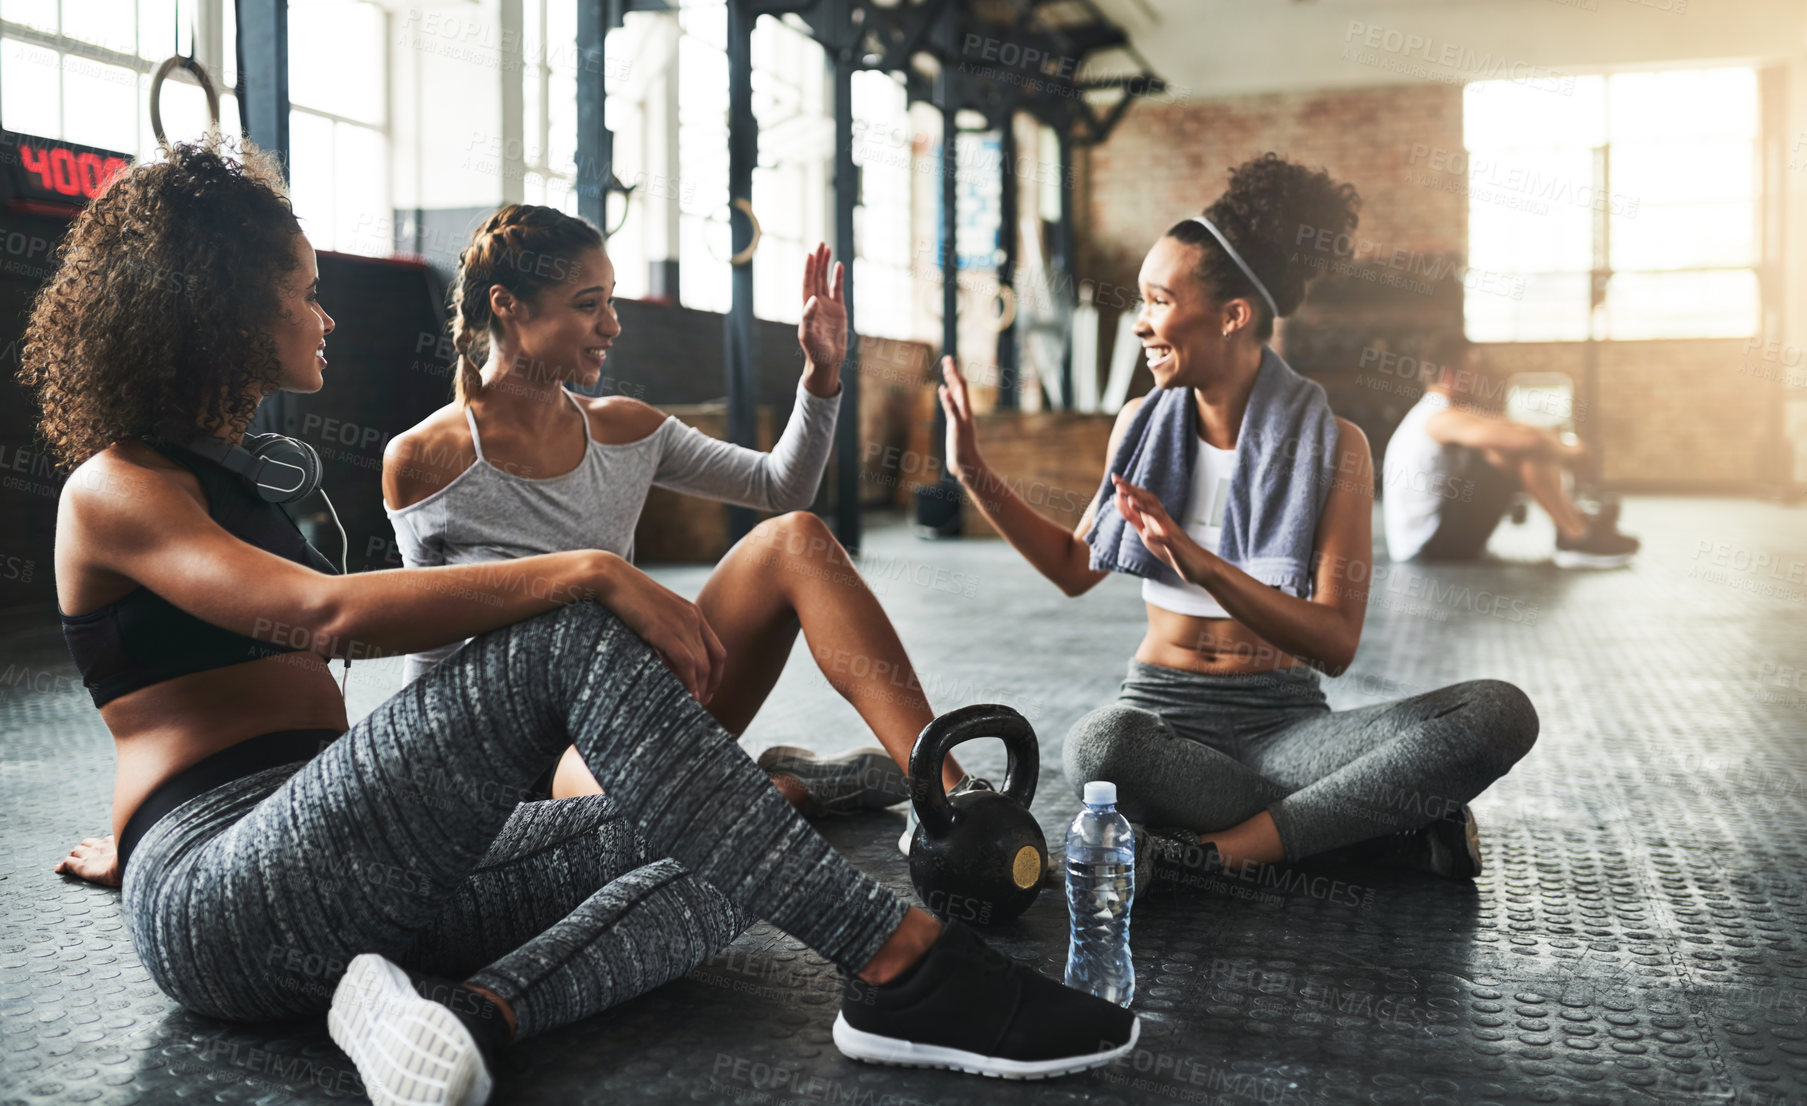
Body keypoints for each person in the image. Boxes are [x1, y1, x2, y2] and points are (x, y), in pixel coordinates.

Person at [32, 138, 1136, 1106]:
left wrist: (815, 385)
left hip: (362, 861)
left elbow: (223, 690)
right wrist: (593, 570)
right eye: (302, 291)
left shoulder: (258, 475)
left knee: (727, 834)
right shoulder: (115, 487)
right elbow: (319, 618)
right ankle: (902, 963)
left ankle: (469, 1013)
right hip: (227, 885)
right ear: (219, 308)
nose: (322, 312)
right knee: (566, 618)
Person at [936, 153, 1540, 887]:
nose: (1140, 325)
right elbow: (1073, 568)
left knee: (1496, 712)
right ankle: (1354, 831)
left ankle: (1217, 854)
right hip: (1161, 716)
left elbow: (1334, 643)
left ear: (1232, 315)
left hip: (1285, 724)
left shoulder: (1336, 447)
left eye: (1158, 301)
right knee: (1098, 747)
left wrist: (1202, 565)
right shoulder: (1140, 424)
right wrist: (973, 475)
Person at [380, 204, 976, 817]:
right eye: (588, 305)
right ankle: (782, 792)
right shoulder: (427, 459)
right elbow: (428, 637)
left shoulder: (627, 428)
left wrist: (821, 375)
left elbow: (783, 487)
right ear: (508, 305)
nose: (612, 326)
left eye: (611, 302)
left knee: (796, 538)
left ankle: (952, 793)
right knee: (626, 817)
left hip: (641, 712)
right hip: (526, 755)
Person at [1382, 333, 1639, 567]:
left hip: (1435, 538)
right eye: (1472, 370)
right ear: (1451, 376)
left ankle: (1579, 524)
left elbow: (1510, 426)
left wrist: (1559, 445)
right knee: (1520, 449)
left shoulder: (1441, 412)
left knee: (1511, 444)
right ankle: (1576, 535)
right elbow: (1527, 439)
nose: (1478, 378)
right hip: (1427, 549)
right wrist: (1570, 454)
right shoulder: (1439, 418)